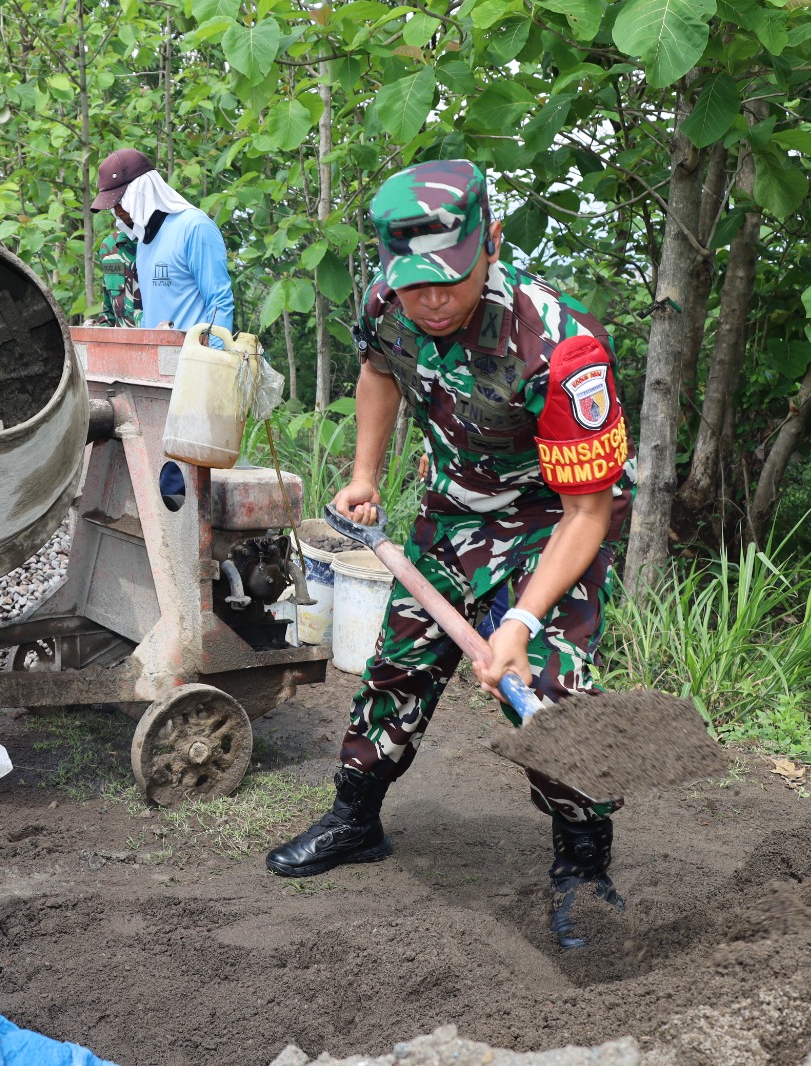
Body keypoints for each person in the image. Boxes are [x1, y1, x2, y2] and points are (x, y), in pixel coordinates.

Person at [263, 160, 634, 950]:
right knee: (399, 660)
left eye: (449, 280)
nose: (429, 300)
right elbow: (377, 370)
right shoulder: (390, 302)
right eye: (412, 283)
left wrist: (523, 622)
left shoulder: (560, 347)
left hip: (548, 521)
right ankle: (355, 819)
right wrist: (365, 475)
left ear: (491, 244)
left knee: (550, 698)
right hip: (451, 509)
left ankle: (583, 865)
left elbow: (588, 511)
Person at [90, 148, 232, 334]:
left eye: (121, 201)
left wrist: (213, 359)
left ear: (141, 190)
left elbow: (219, 302)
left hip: (195, 358)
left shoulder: (194, 227)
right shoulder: (143, 241)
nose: (117, 211)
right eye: (113, 206)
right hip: (159, 359)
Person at [93, 228, 141, 327]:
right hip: (122, 338)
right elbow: (109, 311)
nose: (119, 212)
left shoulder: (167, 240)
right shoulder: (110, 246)